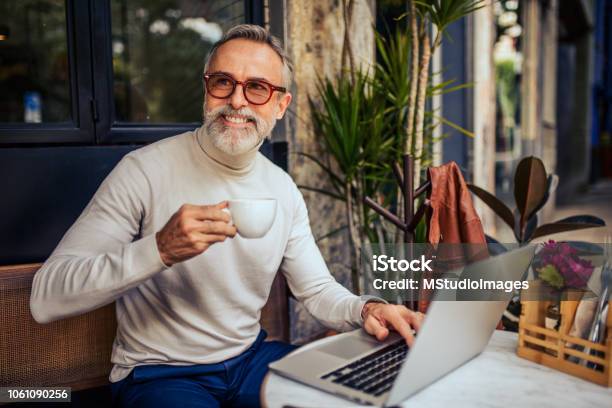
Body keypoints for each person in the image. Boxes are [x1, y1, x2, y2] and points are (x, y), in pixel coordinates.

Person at [30, 24, 423, 408]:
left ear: (280, 105)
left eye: (257, 88)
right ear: (207, 90)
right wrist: (159, 250)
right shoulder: (143, 171)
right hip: (162, 373)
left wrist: (368, 307)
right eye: (223, 82)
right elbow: (46, 298)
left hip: (250, 361)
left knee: (360, 393)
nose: (237, 101)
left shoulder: (282, 188)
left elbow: (317, 290)